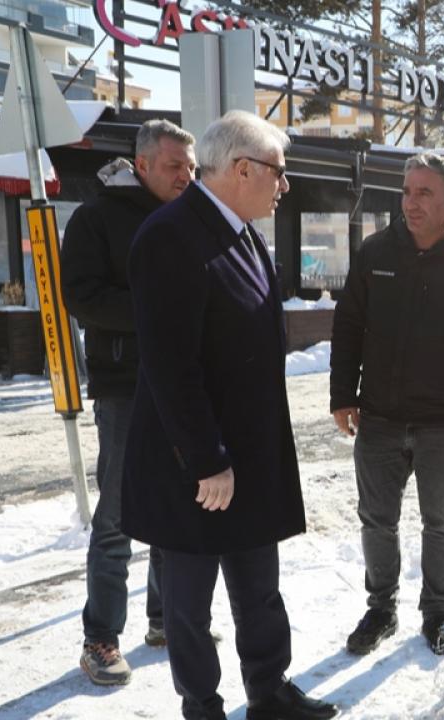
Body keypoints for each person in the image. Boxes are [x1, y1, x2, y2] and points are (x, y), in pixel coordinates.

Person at [122, 110, 336, 720]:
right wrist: (207, 458)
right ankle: (203, 707)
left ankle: (269, 693)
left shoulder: (242, 232)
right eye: (279, 172)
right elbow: (170, 365)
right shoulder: (170, 235)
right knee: (190, 607)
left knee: (259, 591)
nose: (283, 185)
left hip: (247, 459)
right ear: (243, 169)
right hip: (195, 466)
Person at [329, 152, 444, 657]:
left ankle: (437, 613)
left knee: (441, 522)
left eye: (424, 193)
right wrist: (342, 394)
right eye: (407, 191)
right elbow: (347, 326)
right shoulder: (375, 254)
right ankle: (380, 608)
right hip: (380, 420)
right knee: (377, 520)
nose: (410, 202)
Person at [61, 119, 195, 685]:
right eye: (175, 167)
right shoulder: (97, 218)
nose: (187, 177)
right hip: (124, 387)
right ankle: (101, 637)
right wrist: (153, 307)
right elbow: (81, 298)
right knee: (116, 517)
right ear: (142, 166)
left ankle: (164, 619)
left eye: (191, 167)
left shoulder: (191, 220)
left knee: (173, 511)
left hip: (182, 387)